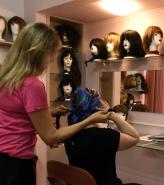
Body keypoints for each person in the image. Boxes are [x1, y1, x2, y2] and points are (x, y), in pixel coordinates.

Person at [0, 22, 109, 185]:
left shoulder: (7, 78)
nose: (52, 59)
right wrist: (90, 120)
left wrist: (49, 112)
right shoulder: (32, 85)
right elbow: (50, 137)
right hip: (17, 162)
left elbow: (15, 113)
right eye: (52, 53)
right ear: (40, 52)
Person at [65, 94, 140, 185]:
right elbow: (135, 137)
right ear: (96, 111)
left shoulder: (68, 137)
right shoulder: (105, 136)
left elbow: (90, 130)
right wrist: (111, 114)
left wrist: (94, 120)